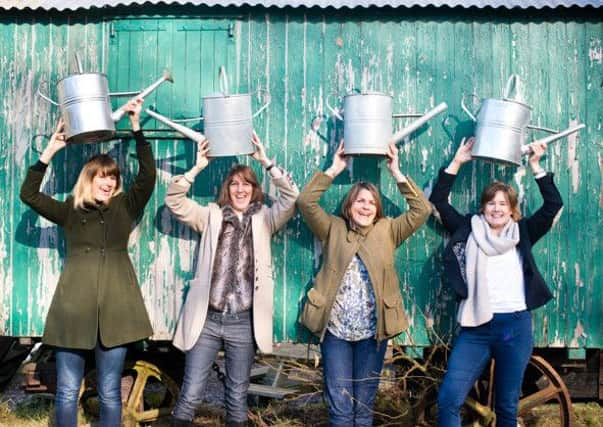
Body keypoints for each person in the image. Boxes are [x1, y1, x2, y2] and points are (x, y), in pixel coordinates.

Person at [19, 97, 155, 427]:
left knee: (109, 391)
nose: (108, 182)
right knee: (66, 390)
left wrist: (137, 128)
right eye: (101, 177)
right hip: (73, 312)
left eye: (112, 178)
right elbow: (29, 195)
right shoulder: (70, 211)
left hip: (116, 312)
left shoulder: (125, 206)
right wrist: (48, 152)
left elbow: (147, 176)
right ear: (88, 180)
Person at [165, 132, 299, 427]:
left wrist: (266, 161)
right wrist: (197, 167)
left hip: (244, 321)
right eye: (234, 184)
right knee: (190, 394)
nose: (240, 189)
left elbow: (291, 197)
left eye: (247, 184)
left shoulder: (266, 218)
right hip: (208, 319)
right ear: (227, 189)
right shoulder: (210, 216)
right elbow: (174, 200)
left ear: (255, 189)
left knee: (236, 396)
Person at [430, 138, 564, 427]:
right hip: (476, 327)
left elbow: (554, 205)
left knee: (506, 406)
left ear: (512, 209)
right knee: (449, 399)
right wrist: (457, 162)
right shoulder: (469, 228)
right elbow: (439, 202)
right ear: (483, 207)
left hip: (513, 328)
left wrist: (536, 166)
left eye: (503, 204)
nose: (496, 208)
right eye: (491, 203)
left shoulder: (524, 232)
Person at [297, 142, 431, 427]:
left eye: (371, 202)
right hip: (336, 333)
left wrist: (396, 172)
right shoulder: (333, 227)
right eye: (360, 200)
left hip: (373, 333)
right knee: (341, 407)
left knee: (363, 406)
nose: (366, 206)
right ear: (349, 205)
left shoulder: (388, 230)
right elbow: (305, 202)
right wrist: (334, 169)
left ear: (377, 209)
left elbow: (421, 210)